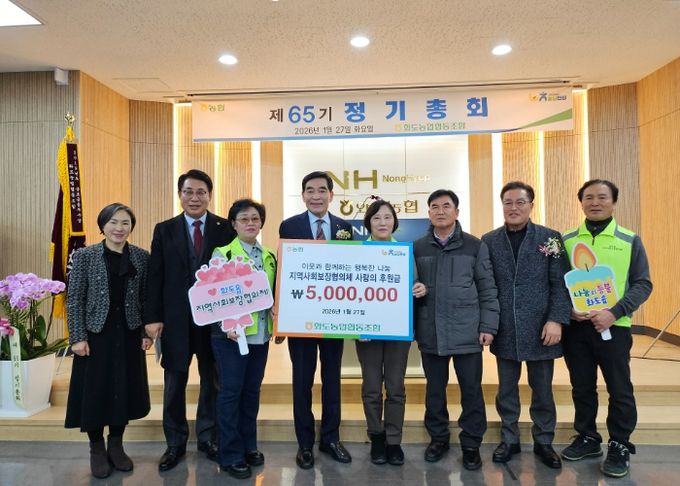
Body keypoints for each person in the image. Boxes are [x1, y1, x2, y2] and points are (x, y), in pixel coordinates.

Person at [560, 179, 652, 478]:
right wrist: (567, 310)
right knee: (582, 387)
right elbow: (557, 283)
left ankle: (620, 443)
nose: (595, 202)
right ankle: (588, 437)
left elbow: (642, 284)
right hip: (577, 329)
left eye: (602, 197)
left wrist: (614, 313)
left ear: (614, 202)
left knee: (619, 388)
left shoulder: (629, 240)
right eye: (588, 197)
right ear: (581, 202)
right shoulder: (566, 240)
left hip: (615, 327)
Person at [145, 169, 235, 472]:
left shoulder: (225, 228)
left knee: (213, 381)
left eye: (200, 192)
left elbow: (235, 273)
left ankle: (208, 438)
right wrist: (153, 318)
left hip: (214, 321)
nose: (194, 198)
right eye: (188, 192)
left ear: (209, 195)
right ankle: (175, 443)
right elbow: (155, 276)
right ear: (180, 195)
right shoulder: (164, 229)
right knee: (174, 383)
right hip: (175, 321)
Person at [481, 181, 571, 469]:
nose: (513, 207)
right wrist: (488, 323)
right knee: (506, 390)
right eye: (508, 202)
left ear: (531, 205)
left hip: (542, 327)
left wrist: (556, 319)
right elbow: (486, 285)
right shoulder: (489, 240)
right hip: (505, 327)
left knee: (542, 390)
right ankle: (509, 439)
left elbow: (561, 283)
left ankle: (544, 441)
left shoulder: (550, 238)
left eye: (520, 202)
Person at [413, 189, 499, 471]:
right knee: (434, 391)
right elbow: (409, 286)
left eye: (446, 206)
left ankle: (471, 443)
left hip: (467, 331)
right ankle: (438, 438)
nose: (440, 211)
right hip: (431, 331)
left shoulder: (475, 246)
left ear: (457, 212)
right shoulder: (417, 247)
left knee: (471, 391)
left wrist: (488, 325)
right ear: (429, 213)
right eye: (434, 207)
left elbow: (487, 288)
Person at [65, 203, 152, 479]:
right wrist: (77, 337)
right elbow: (74, 298)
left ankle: (116, 444)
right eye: (113, 222)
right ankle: (96, 448)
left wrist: (145, 333)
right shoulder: (85, 256)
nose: (119, 228)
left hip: (128, 332)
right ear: (102, 226)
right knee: (95, 389)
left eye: (125, 223)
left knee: (122, 387)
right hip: (95, 334)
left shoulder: (141, 257)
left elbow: (145, 298)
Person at [278, 170, 354, 469]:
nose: (316, 196)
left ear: (331, 195)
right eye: (310, 190)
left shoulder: (344, 228)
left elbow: (350, 270)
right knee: (302, 382)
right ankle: (305, 443)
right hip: (300, 320)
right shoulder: (290, 225)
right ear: (303, 195)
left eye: (322, 190)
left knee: (332, 379)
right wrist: (281, 318)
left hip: (334, 318)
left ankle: (331, 439)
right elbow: (285, 271)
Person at [356, 200, 427, 466]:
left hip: (398, 330)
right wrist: (356, 325)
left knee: (396, 386)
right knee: (372, 387)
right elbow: (349, 292)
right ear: (368, 223)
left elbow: (416, 284)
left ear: (395, 222)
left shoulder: (405, 252)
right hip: (367, 332)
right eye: (376, 218)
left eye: (387, 217)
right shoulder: (357, 252)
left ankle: (394, 440)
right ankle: (376, 436)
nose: (382, 222)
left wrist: (420, 288)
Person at [211, 199, 277, 479]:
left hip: (260, 335)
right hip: (231, 337)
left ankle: (249, 445)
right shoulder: (223, 254)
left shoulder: (270, 256)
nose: (251, 223)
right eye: (244, 219)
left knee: (252, 393)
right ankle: (230, 454)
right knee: (230, 393)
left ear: (261, 223)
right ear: (234, 224)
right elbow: (210, 295)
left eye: (255, 219)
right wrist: (224, 322)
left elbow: (275, 295)